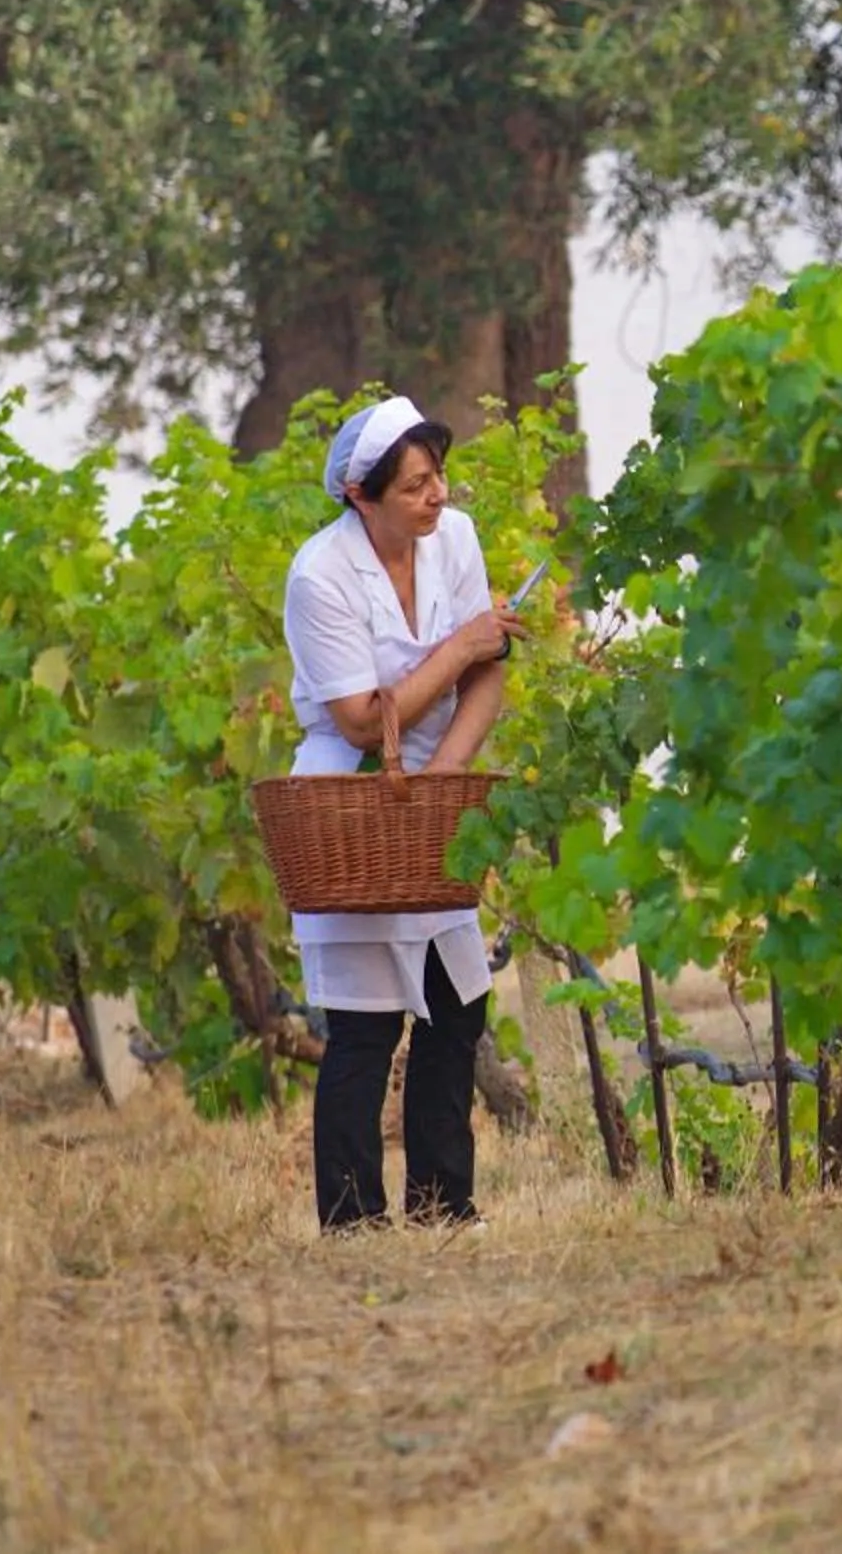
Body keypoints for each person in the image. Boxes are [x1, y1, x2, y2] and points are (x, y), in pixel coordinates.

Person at [281, 395, 526, 1234]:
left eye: (439, 478)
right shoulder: (321, 575)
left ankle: (443, 1207)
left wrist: (446, 776)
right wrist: (460, 645)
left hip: (430, 798)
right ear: (363, 496)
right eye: (417, 486)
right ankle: (353, 1221)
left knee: (457, 1005)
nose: (438, 497)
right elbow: (358, 717)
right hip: (353, 798)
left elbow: (490, 666)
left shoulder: (453, 539)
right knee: (364, 1024)